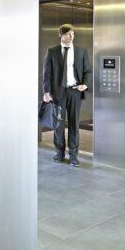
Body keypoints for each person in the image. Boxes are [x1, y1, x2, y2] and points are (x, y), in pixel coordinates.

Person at [42, 23, 92, 167]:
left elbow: (87, 71)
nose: (71, 36)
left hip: (75, 92)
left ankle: (74, 156)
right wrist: (46, 92)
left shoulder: (81, 51)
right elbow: (47, 74)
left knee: (74, 124)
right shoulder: (52, 51)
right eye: (68, 34)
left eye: (73, 34)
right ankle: (59, 152)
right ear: (61, 35)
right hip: (58, 93)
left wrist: (85, 84)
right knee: (58, 124)